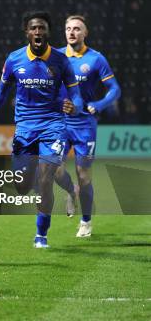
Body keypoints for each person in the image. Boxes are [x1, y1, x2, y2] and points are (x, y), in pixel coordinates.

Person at [0, 11, 83, 248]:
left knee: (46, 177)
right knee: (22, 186)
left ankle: (41, 235)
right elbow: (2, 89)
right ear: (27, 32)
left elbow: (76, 94)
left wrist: (74, 106)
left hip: (53, 125)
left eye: (42, 28)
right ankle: (68, 189)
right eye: (33, 28)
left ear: (48, 31)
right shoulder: (14, 59)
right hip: (25, 128)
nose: (38, 32)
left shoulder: (60, 60)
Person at [54, 15, 121, 237]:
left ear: (85, 33)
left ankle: (85, 221)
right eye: (68, 28)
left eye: (77, 29)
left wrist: (99, 104)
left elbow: (114, 89)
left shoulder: (96, 59)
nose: (71, 32)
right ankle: (70, 191)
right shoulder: (56, 57)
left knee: (84, 176)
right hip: (60, 123)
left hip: (84, 125)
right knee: (54, 168)